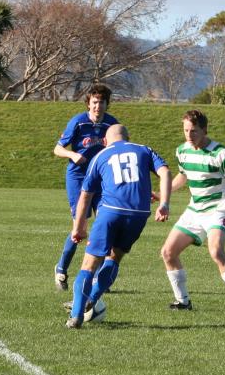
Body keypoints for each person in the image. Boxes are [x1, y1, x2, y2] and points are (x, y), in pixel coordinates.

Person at [66, 124, 171, 329]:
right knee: (114, 258)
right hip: (139, 214)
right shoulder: (144, 149)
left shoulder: (101, 155)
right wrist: (164, 203)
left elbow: (86, 195)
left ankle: (76, 314)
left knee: (89, 264)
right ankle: (92, 299)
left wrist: (79, 227)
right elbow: (165, 173)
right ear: (128, 137)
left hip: (111, 211)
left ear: (105, 141)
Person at [160, 110, 225, 315]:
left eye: (193, 131)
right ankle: (183, 301)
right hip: (195, 209)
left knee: (215, 251)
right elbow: (183, 176)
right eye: (186, 130)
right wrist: (162, 194)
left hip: (219, 208)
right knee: (168, 253)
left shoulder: (220, 153)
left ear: (204, 130)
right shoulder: (182, 151)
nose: (189, 135)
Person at [53, 84, 119, 291]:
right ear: (88, 104)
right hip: (79, 177)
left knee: (104, 226)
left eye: (102, 102)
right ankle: (61, 269)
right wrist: (73, 155)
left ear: (107, 104)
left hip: (101, 179)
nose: (98, 106)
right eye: (94, 102)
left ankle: (99, 278)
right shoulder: (78, 122)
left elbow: (120, 148)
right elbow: (57, 148)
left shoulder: (112, 124)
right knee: (79, 227)